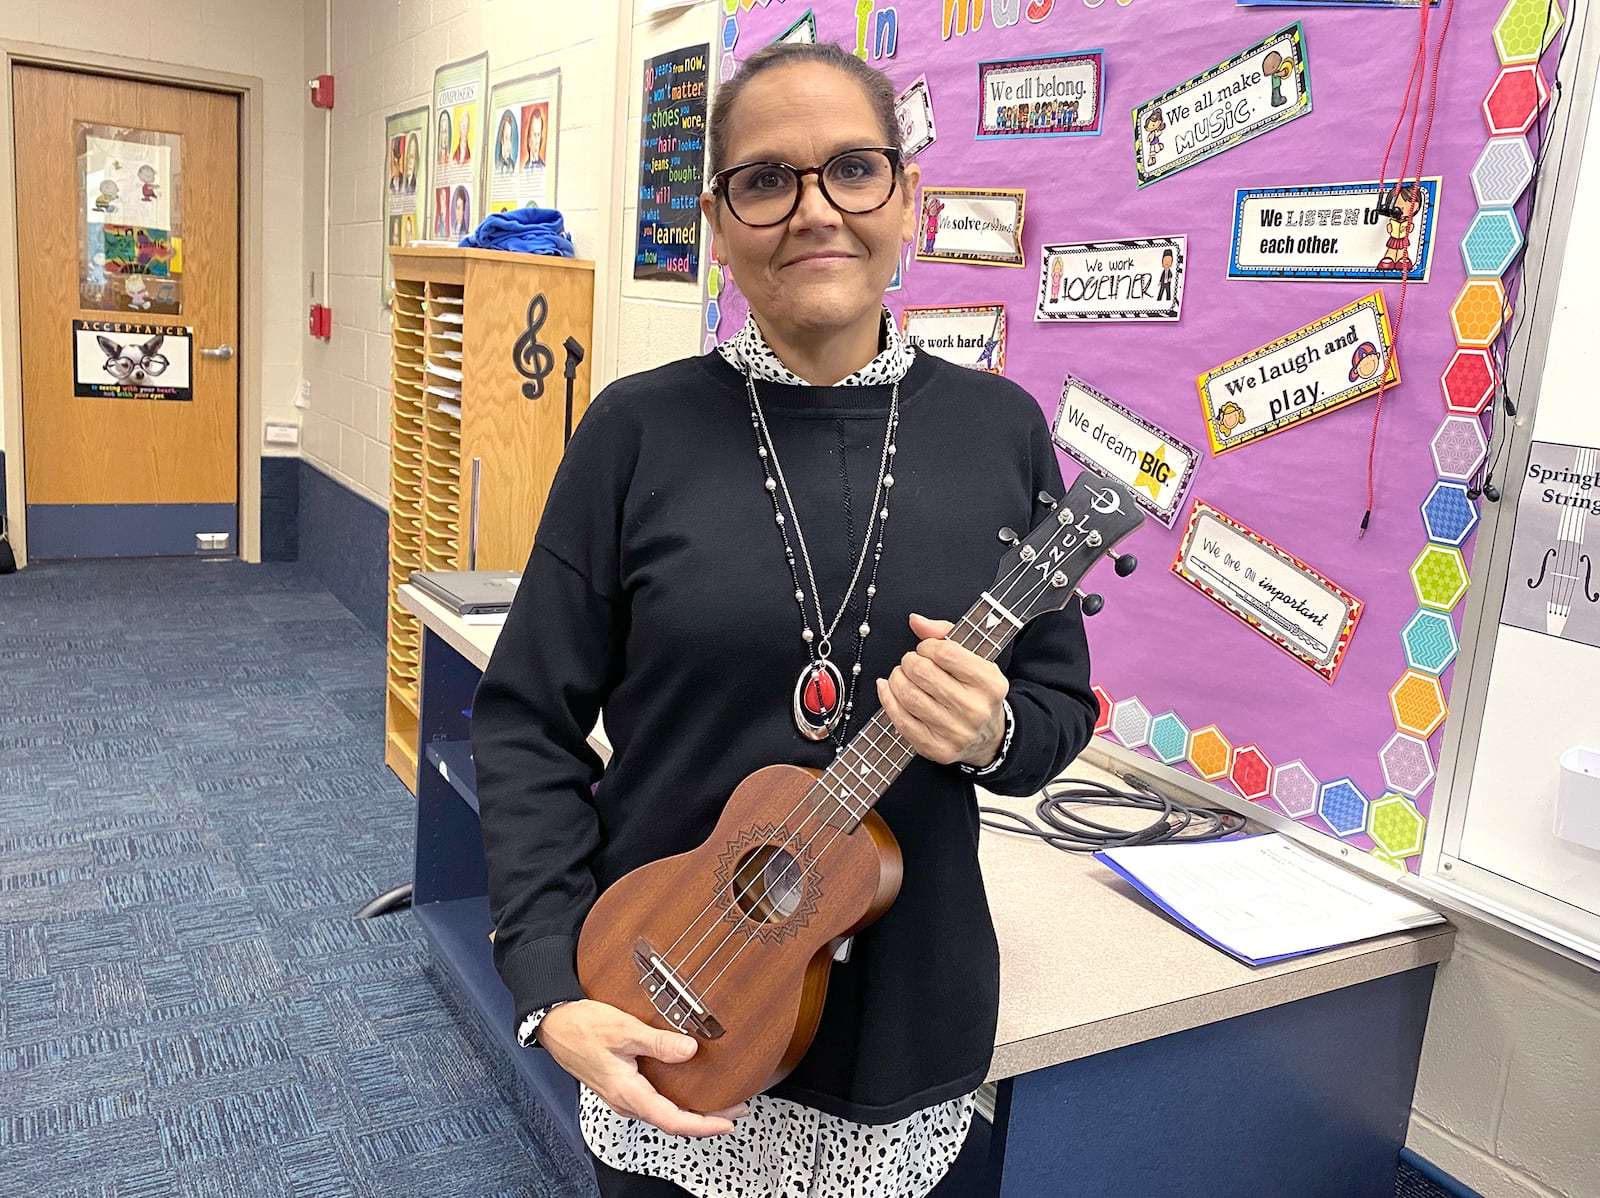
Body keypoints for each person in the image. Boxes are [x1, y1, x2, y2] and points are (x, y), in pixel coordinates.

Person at [472, 41, 1097, 1198]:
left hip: (902, 1025)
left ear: (907, 198)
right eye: (765, 180)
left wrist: (991, 732)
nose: (814, 211)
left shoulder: (1000, 431)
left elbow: (1057, 707)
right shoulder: (634, 431)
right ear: (718, 220)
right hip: (671, 1001)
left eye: (853, 169)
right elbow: (524, 724)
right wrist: (549, 982)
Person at [495, 110, 519, 174]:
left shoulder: (512, 165)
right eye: (506, 138)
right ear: (501, 139)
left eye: (510, 139)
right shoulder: (497, 164)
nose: (509, 144)